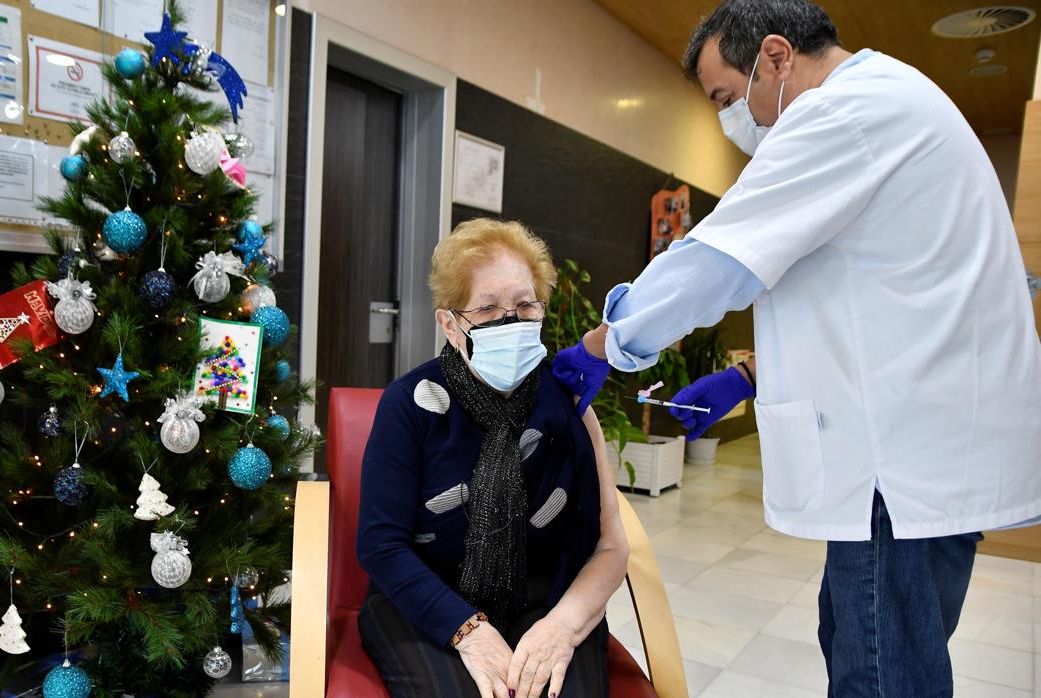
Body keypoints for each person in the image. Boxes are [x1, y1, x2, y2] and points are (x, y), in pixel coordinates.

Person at [551, 1, 1041, 695]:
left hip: (898, 465)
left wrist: (605, 345)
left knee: (878, 670)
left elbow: (717, 260)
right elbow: (870, 295)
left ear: (778, 56)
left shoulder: (841, 115)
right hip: (919, 448)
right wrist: (748, 376)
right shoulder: (892, 99)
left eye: (726, 97)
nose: (731, 117)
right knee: (854, 637)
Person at [356, 219, 632, 698]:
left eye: (525, 304)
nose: (512, 321)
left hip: (547, 599)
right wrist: (469, 632)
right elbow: (381, 546)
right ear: (449, 323)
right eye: (487, 308)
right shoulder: (408, 405)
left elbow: (611, 547)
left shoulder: (568, 404)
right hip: (427, 600)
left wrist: (561, 628)